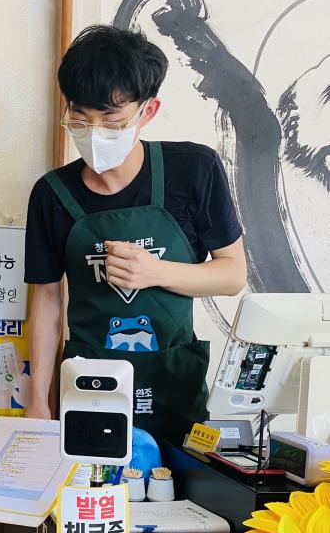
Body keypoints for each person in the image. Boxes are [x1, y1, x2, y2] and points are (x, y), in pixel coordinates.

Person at [23, 25, 247, 444]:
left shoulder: (193, 170)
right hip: (90, 384)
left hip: (173, 384)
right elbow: (48, 301)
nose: (94, 133)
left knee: (176, 480)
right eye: (80, 118)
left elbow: (233, 275)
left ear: (148, 111)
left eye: (111, 120)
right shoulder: (52, 195)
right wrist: (38, 400)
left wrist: (155, 271)